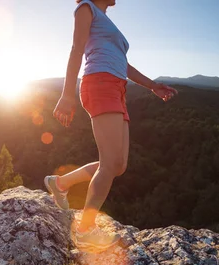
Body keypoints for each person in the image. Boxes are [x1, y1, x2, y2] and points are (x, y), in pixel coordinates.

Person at [44, 0, 178, 251]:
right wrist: (67, 94)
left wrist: (153, 86)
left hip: (117, 89)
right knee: (109, 164)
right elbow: (76, 48)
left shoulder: (106, 21)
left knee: (117, 165)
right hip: (99, 83)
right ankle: (85, 231)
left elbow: (124, 64)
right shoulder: (86, 8)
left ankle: (60, 184)